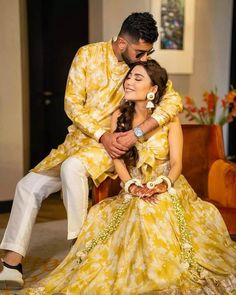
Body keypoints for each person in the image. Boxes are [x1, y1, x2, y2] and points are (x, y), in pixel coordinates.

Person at [0, 12, 183, 290]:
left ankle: (82, 249)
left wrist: (136, 133)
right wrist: (100, 134)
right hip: (80, 141)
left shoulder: (142, 69)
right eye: (140, 51)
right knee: (27, 185)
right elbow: (72, 104)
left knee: (72, 168)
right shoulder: (87, 55)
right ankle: (12, 263)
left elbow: (173, 102)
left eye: (149, 52)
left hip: (113, 147)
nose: (144, 58)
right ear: (122, 43)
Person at [22, 59, 236, 294]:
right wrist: (132, 185)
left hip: (168, 185)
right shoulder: (119, 116)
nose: (130, 82)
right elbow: (117, 158)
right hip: (133, 185)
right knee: (136, 208)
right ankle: (138, 269)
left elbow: (177, 164)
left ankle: (161, 274)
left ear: (153, 89)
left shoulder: (169, 119)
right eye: (129, 77)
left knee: (155, 207)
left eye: (138, 78)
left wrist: (163, 185)